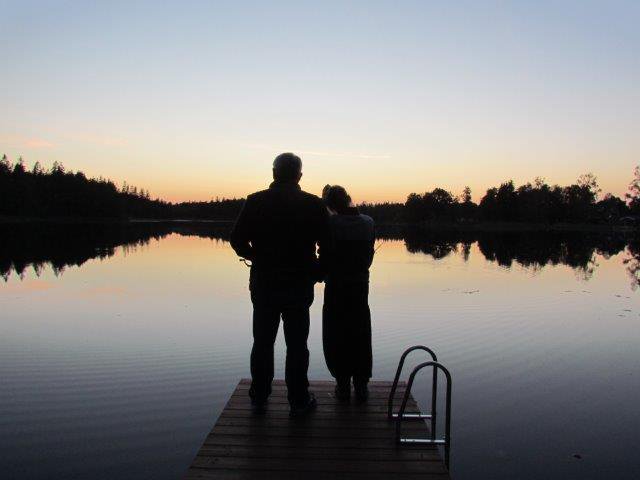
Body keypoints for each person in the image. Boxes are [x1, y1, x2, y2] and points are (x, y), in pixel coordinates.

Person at [230, 153, 329, 416]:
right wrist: (317, 269)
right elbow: (328, 245)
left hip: (264, 284)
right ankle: (298, 400)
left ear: (274, 173)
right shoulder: (313, 204)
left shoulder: (255, 201)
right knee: (297, 344)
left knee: (262, 341)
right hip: (299, 284)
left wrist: (258, 257)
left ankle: (259, 396)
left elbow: (237, 240)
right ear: (299, 175)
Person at [321, 185, 375, 402]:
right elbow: (368, 258)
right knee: (360, 333)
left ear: (330, 205)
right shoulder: (368, 222)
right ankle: (361, 386)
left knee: (336, 334)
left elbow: (324, 257)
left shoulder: (330, 224)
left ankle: (342, 385)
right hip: (360, 287)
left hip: (336, 287)